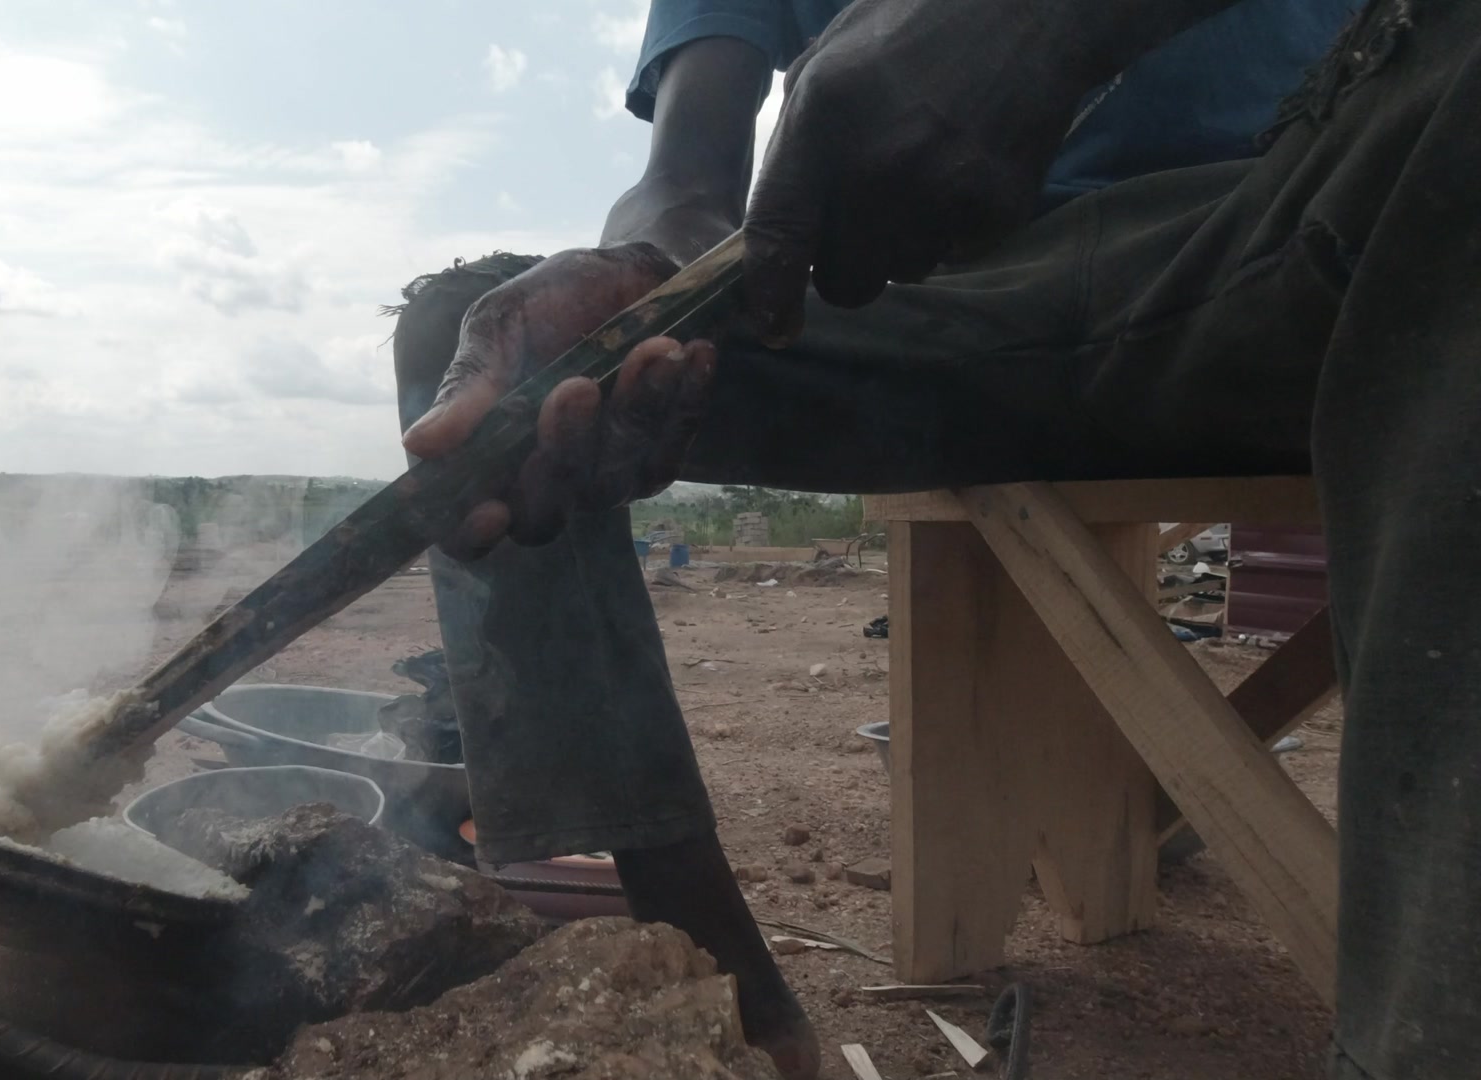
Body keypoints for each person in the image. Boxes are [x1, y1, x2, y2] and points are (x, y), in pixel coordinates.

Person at [389, 0, 1480, 1076]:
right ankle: (706, 965)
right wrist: (657, 272)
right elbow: (686, 181)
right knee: (480, 334)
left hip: (1291, 232)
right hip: (952, 309)